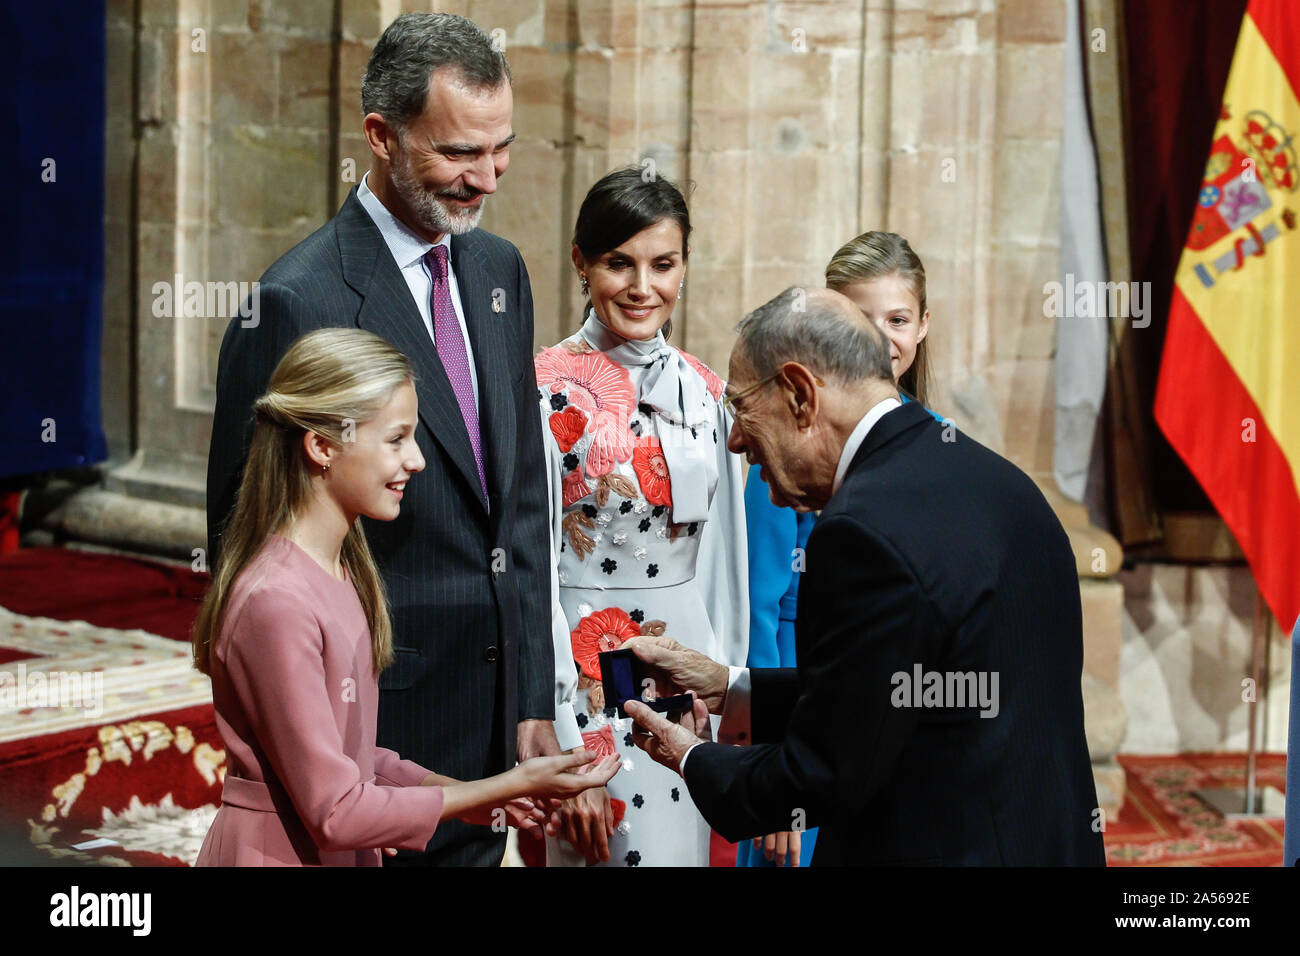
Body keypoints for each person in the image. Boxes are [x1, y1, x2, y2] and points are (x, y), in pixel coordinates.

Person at [205, 12, 559, 866]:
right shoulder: (296, 298)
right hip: (371, 736)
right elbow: (239, 536)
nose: (486, 178)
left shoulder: (500, 270)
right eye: (458, 154)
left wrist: (532, 693)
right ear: (381, 136)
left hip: (494, 722)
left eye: (500, 148)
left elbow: (517, 503)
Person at [623, 287, 1106, 866]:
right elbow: (897, 694)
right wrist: (727, 685)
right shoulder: (998, 478)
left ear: (800, 394)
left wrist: (691, 757)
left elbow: (824, 772)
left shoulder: (860, 531)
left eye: (743, 410)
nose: (736, 439)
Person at [193, 329, 618, 867]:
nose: (417, 460)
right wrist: (497, 787)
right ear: (322, 446)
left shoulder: (345, 566)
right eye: (396, 439)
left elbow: (353, 756)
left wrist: (480, 793)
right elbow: (336, 810)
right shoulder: (275, 601)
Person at [533, 167, 748, 867]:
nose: (641, 287)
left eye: (663, 264)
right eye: (617, 263)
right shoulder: (542, 391)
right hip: (583, 670)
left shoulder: (709, 391)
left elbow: (727, 564)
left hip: (683, 671)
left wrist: (725, 686)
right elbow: (530, 570)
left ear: (684, 267)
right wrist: (566, 731)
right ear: (581, 263)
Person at [738, 230, 937, 867]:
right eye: (860, 318)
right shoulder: (786, 455)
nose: (882, 338)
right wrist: (774, 764)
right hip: (803, 699)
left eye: (898, 319)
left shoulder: (941, 441)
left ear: (924, 324)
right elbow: (760, 610)